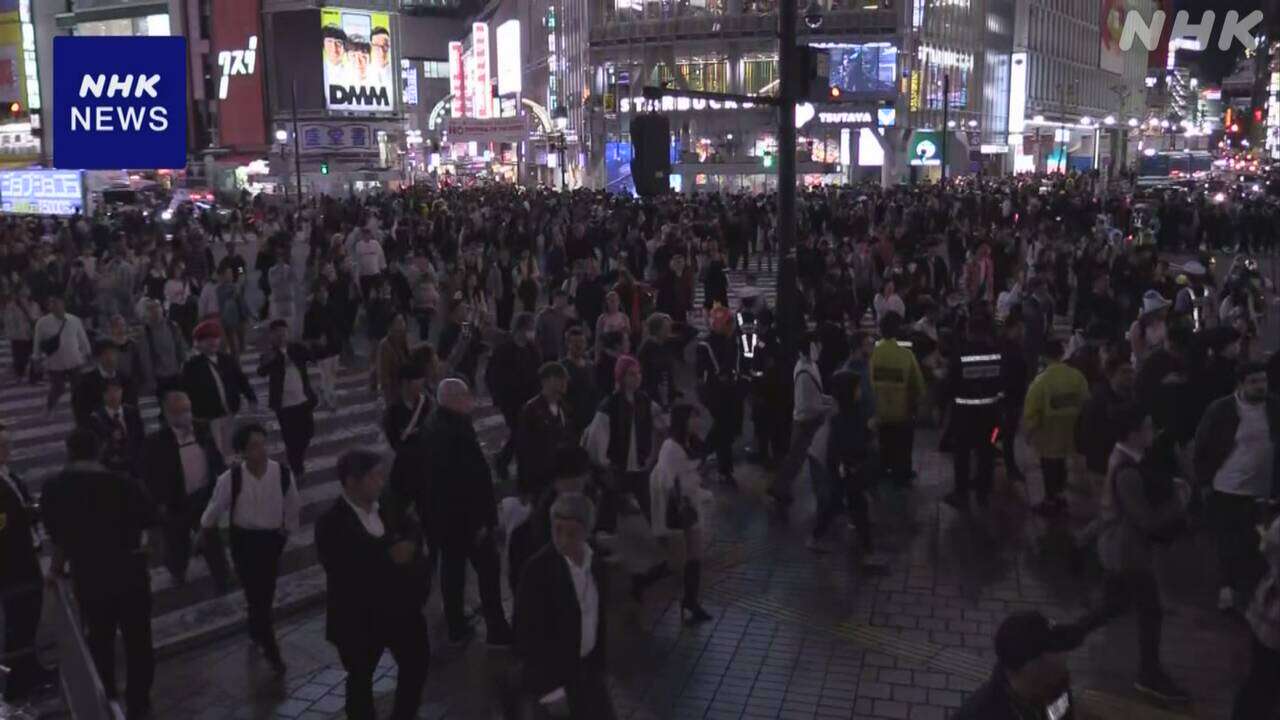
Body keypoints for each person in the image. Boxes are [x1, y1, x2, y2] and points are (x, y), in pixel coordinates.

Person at [42, 429, 159, 720]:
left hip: (89, 575)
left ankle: (106, 697)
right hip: (129, 571)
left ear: (69, 451)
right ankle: (139, 701)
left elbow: (59, 538)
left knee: (99, 640)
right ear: (100, 448)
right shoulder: (123, 483)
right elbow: (151, 521)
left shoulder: (55, 488)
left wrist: (55, 570)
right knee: (138, 640)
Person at [316, 449, 430, 720]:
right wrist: (390, 555)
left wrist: (410, 546)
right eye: (374, 477)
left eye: (382, 475)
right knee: (360, 680)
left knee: (416, 663)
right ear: (352, 481)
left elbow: (413, 526)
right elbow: (344, 568)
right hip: (360, 618)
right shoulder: (331, 522)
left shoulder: (389, 503)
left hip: (400, 609)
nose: (381, 482)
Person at [1088, 404, 1190, 704]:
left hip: (1120, 549)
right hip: (1128, 553)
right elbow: (1145, 520)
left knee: (1111, 606)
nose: (1153, 432)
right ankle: (1149, 675)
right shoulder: (1126, 470)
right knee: (1149, 612)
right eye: (1148, 427)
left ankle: (1060, 636)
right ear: (1133, 434)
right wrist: (1178, 501)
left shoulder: (1127, 457)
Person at [199, 423, 299, 675]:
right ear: (242, 452)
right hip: (244, 543)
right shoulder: (230, 479)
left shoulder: (282, 473)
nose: (261, 451)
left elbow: (292, 503)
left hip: (271, 541)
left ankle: (256, 628)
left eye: (262, 443)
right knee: (257, 596)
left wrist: (285, 531)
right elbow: (213, 511)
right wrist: (205, 530)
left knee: (264, 593)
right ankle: (271, 650)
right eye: (254, 446)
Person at [422, 378, 514, 646]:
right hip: (466, 520)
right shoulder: (452, 430)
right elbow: (464, 481)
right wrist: (481, 521)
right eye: (466, 395)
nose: (471, 399)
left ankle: (457, 626)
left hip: (447, 519)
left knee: (453, 572)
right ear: (453, 398)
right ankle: (496, 627)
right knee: (487, 570)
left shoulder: (438, 424)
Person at [514, 493, 616, 720]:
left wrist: (600, 667)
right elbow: (527, 633)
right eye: (556, 530)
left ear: (587, 532)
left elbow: (597, 620)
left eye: (571, 533)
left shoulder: (596, 565)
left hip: (588, 672)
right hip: (554, 680)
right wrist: (551, 692)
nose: (561, 540)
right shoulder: (538, 570)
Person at [1193, 361, 1279, 612]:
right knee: (1230, 545)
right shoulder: (1222, 410)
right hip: (1228, 489)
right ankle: (1229, 593)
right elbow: (1203, 446)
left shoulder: (1274, 407)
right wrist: (1205, 482)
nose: (1260, 386)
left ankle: (1253, 598)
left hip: (1263, 492)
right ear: (1240, 384)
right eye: (1254, 382)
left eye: (1263, 380)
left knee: (1259, 547)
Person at [142, 390, 232, 590]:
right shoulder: (155, 442)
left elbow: (215, 458)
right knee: (177, 543)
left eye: (187, 410)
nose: (184, 415)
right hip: (176, 502)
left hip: (204, 496)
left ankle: (222, 577)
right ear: (167, 414)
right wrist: (159, 503)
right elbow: (149, 476)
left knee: (212, 540)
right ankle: (177, 571)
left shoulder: (202, 428)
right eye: (177, 412)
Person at [0, 424, 56, 702]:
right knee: (19, 619)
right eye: (2, 446)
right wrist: (27, 514)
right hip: (12, 562)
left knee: (29, 615)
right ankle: (18, 679)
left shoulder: (8, 475)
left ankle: (30, 669)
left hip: (25, 553)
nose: (7, 450)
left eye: (7, 445)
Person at [954, 611, 1089, 720]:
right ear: (1029, 666)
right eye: (1054, 651)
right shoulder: (979, 714)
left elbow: (1062, 715)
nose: (1063, 656)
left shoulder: (1056, 687)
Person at [942, 312, 1006, 512]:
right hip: (991, 414)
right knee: (987, 453)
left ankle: (961, 493)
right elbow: (1004, 381)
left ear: (969, 332)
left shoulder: (961, 355)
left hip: (964, 416)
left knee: (962, 454)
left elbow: (950, 385)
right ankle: (983, 492)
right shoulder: (997, 354)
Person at [583, 355, 662, 519]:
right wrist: (605, 463)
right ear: (622, 377)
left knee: (651, 509)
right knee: (607, 511)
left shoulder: (644, 400)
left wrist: (651, 456)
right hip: (617, 467)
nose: (637, 378)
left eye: (638, 373)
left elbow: (660, 423)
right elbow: (597, 439)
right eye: (632, 374)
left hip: (639, 465)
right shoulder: (610, 405)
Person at [1023, 339, 1089, 517]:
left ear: (1043, 357)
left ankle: (1050, 500)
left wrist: (1028, 434)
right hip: (1070, 433)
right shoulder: (1077, 376)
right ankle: (1059, 496)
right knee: (1062, 465)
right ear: (1061, 354)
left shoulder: (1040, 382)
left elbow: (1032, 412)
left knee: (1049, 467)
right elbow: (1085, 401)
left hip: (1048, 435)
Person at [769, 330, 834, 508]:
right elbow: (807, 404)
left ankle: (780, 488)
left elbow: (816, 395)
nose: (820, 348)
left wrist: (827, 401)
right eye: (817, 344)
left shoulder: (811, 365)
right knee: (796, 460)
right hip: (806, 422)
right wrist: (828, 407)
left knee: (796, 460)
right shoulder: (805, 371)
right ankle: (779, 489)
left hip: (809, 419)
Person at [183, 319, 257, 461]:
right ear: (198, 343)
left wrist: (251, 398)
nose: (213, 342)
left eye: (215, 337)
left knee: (233, 447)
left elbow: (241, 380)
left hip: (231, 411)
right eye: (207, 338)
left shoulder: (227, 359)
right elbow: (187, 391)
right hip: (209, 417)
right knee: (217, 452)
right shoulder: (191, 366)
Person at [1232, 516, 1280, 719]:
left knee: (1261, 684)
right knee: (1262, 684)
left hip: (1269, 615)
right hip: (1272, 617)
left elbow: (1268, 546)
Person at [869, 312, 925, 485]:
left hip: (878, 413)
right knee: (903, 446)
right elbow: (919, 386)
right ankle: (902, 473)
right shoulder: (906, 356)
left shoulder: (873, 354)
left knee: (883, 444)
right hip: (902, 414)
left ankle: (883, 469)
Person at [258, 319, 317, 478]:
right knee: (291, 440)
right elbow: (261, 371)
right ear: (271, 336)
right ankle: (297, 469)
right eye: (278, 334)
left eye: (284, 333)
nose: (282, 336)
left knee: (307, 433)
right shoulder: (269, 354)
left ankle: (298, 461)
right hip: (284, 405)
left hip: (303, 400)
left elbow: (313, 356)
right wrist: (277, 358)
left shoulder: (296, 348)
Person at [488, 312, 542, 482]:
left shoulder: (532, 349)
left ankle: (503, 460)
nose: (532, 332)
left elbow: (538, 372)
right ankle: (518, 469)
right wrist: (498, 397)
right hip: (510, 400)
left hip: (528, 399)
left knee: (521, 433)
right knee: (520, 432)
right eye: (530, 328)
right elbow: (492, 376)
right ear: (520, 329)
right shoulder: (503, 350)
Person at [697, 306, 743, 486]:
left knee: (724, 428)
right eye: (728, 323)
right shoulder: (708, 345)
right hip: (717, 393)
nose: (732, 327)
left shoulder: (729, 340)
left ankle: (705, 455)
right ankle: (723, 467)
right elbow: (710, 371)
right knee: (723, 428)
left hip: (727, 392)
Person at [517, 362, 573, 497]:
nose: (564, 382)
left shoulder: (564, 407)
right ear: (547, 381)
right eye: (560, 378)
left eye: (565, 379)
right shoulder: (531, 410)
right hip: (539, 480)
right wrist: (525, 488)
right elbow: (523, 449)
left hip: (560, 477)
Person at [32, 293, 93, 417]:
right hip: (55, 363)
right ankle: (49, 407)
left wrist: (88, 353)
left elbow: (83, 338)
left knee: (77, 388)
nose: (56, 306)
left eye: (58, 303)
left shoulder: (74, 320)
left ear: (63, 304)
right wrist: (36, 359)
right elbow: (37, 342)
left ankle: (79, 410)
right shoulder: (42, 323)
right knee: (58, 388)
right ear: (50, 307)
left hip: (74, 360)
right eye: (53, 304)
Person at [89, 377, 145, 478]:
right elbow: (98, 447)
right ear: (103, 395)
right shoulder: (96, 418)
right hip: (111, 467)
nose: (114, 395)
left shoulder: (132, 411)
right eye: (109, 392)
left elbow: (141, 437)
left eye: (116, 391)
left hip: (134, 464)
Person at [136, 297, 188, 402]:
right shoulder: (145, 333)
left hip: (176, 373)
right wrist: (150, 380)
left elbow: (181, 347)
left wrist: (184, 366)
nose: (155, 310)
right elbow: (145, 359)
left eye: (157, 307)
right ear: (145, 313)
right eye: (150, 308)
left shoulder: (172, 326)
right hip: (159, 377)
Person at [72, 339, 130, 428]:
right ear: (97, 358)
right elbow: (81, 414)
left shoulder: (125, 378)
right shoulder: (86, 382)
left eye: (113, 353)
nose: (110, 358)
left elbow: (132, 409)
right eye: (105, 354)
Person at [303, 283, 343, 411]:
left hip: (334, 345)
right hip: (322, 350)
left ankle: (322, 390)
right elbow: (306, 336)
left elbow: (338, 324)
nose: (323, 294)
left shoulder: (332, 307)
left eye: (324, 291)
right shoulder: (310, 313)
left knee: (333, 373)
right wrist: (316, 341)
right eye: (320, 292)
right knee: (327, 375)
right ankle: (331, 399)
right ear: (315, 294)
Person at [384, 363, 433, 452]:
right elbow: (394, 440)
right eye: (417, 383)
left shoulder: (427, 403)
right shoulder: (393, 410)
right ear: (405, 383)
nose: (421, 387)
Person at [562, 326, 600, 435]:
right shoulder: (562, 367)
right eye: (575, 342)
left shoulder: (591, 366)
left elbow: (595, 392)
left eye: (581, 341)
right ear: (568, 344)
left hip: (590, 423)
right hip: (570, 425)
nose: (578, 345)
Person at [536, 289, 574, 362]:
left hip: (563, 354)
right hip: (547, 353)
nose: (562, 301)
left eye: (564, 299)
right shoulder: (544, 315)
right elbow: (537, 336)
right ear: (554, 299)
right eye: (560, 298)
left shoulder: (568, 318)